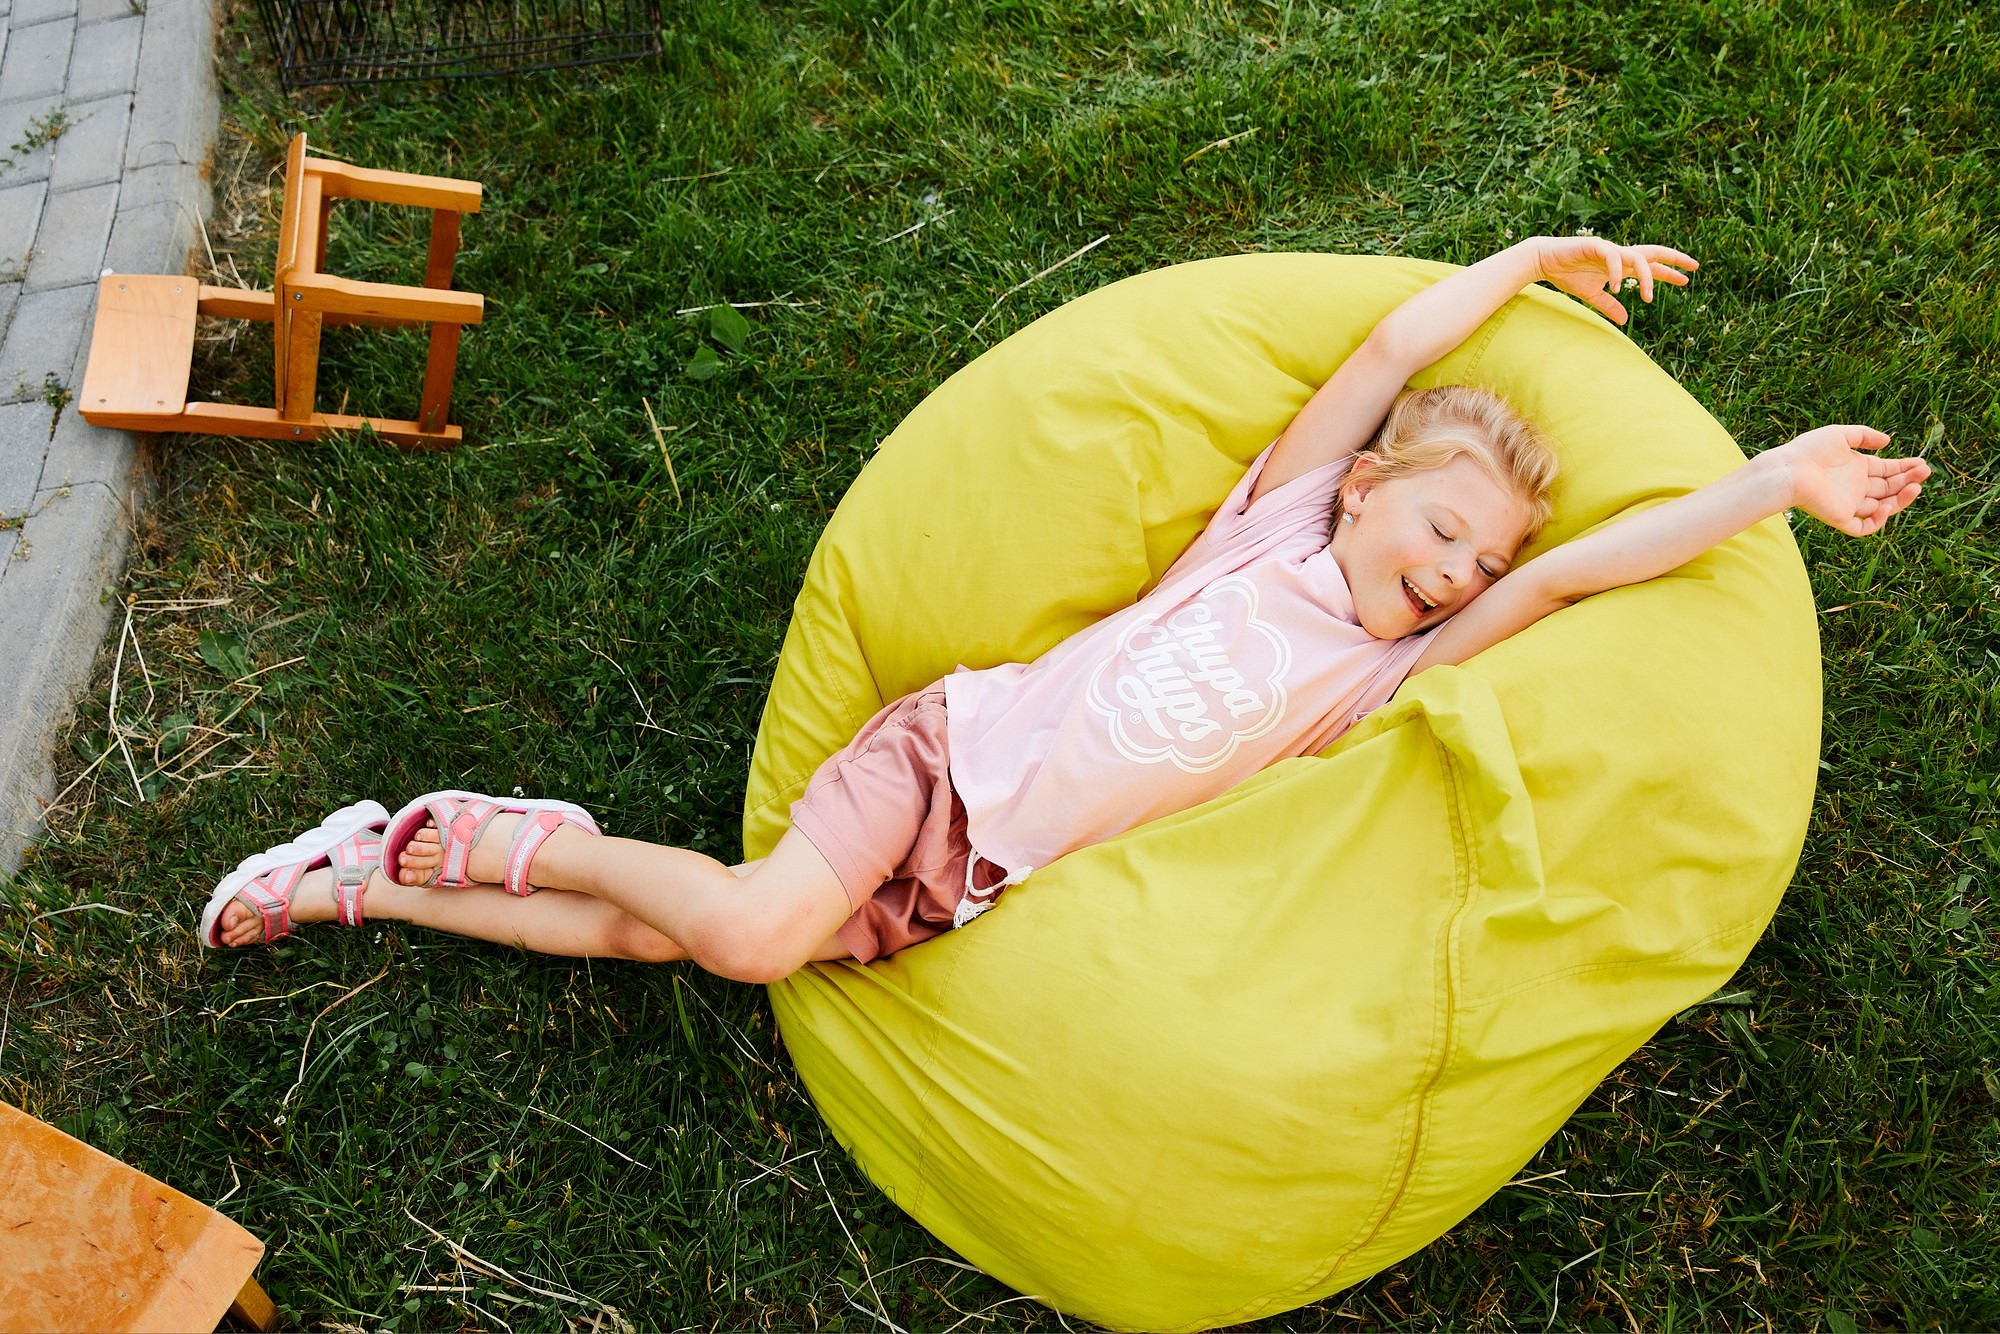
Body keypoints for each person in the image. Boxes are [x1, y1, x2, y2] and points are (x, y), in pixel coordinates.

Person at [201, 235, 1930, 978]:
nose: (1460, 572)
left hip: (983, 875)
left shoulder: (1376, 677)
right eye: (1444, 528)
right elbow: (1397, 349)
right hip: (950, 755)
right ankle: (480, 829)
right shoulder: (1265, 537)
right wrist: (1533, 260)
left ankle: (375, 883)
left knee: (687, 939)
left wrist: (1770, 479)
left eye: (1473, 567)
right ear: (1366, 484)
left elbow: (1564, 574)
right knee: (739, 934)